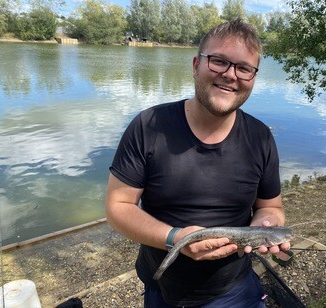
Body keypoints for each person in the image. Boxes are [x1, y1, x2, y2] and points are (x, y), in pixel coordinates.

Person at [105, 18, 290, 307]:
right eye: (218, 61)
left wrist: (266, 224)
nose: (231, 75)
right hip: (161, 286)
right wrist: (174, 238)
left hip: (234, 290)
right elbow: (118, 207)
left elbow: (271, 206)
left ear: (253, 77)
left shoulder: (260, 138)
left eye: (244, 68)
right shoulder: (148, 125)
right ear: (195, 65)